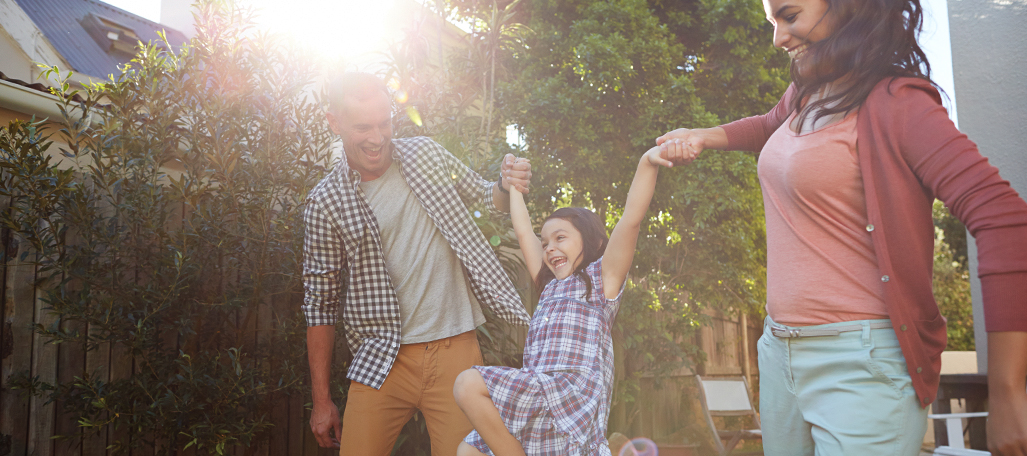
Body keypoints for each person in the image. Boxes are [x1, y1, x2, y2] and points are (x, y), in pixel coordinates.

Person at [656, 0, 1027, 453]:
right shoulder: (809, 94)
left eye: (790, 16)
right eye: (772, 22)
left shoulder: (900, 104)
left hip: (861, 365)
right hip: (779, 354)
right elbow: (770, 125)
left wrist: (1009, 390)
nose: (778, 39)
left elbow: (1005, 221)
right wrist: (703, 136)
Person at [302, 72, 533, 455]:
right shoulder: (325, 202)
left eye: (385, 123)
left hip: (454, 351)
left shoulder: (426, 154)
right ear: (334, 122)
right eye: (363, 127)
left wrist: (509, 183)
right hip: (381, 357)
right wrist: (322, 401)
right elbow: (320, 306)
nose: (377, 138)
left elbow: (488, 195)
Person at [452, 146, 677, 456]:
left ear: (594, 241)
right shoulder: (548, 286)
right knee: (468, 451)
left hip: (571, 398)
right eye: (545, 243)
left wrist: (647, 162)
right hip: (539, 400)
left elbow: (631, 220)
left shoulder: (602, 281)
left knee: (468, 384)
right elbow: (522, 230)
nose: (549, 248)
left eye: (560, 238)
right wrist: (514, 185)